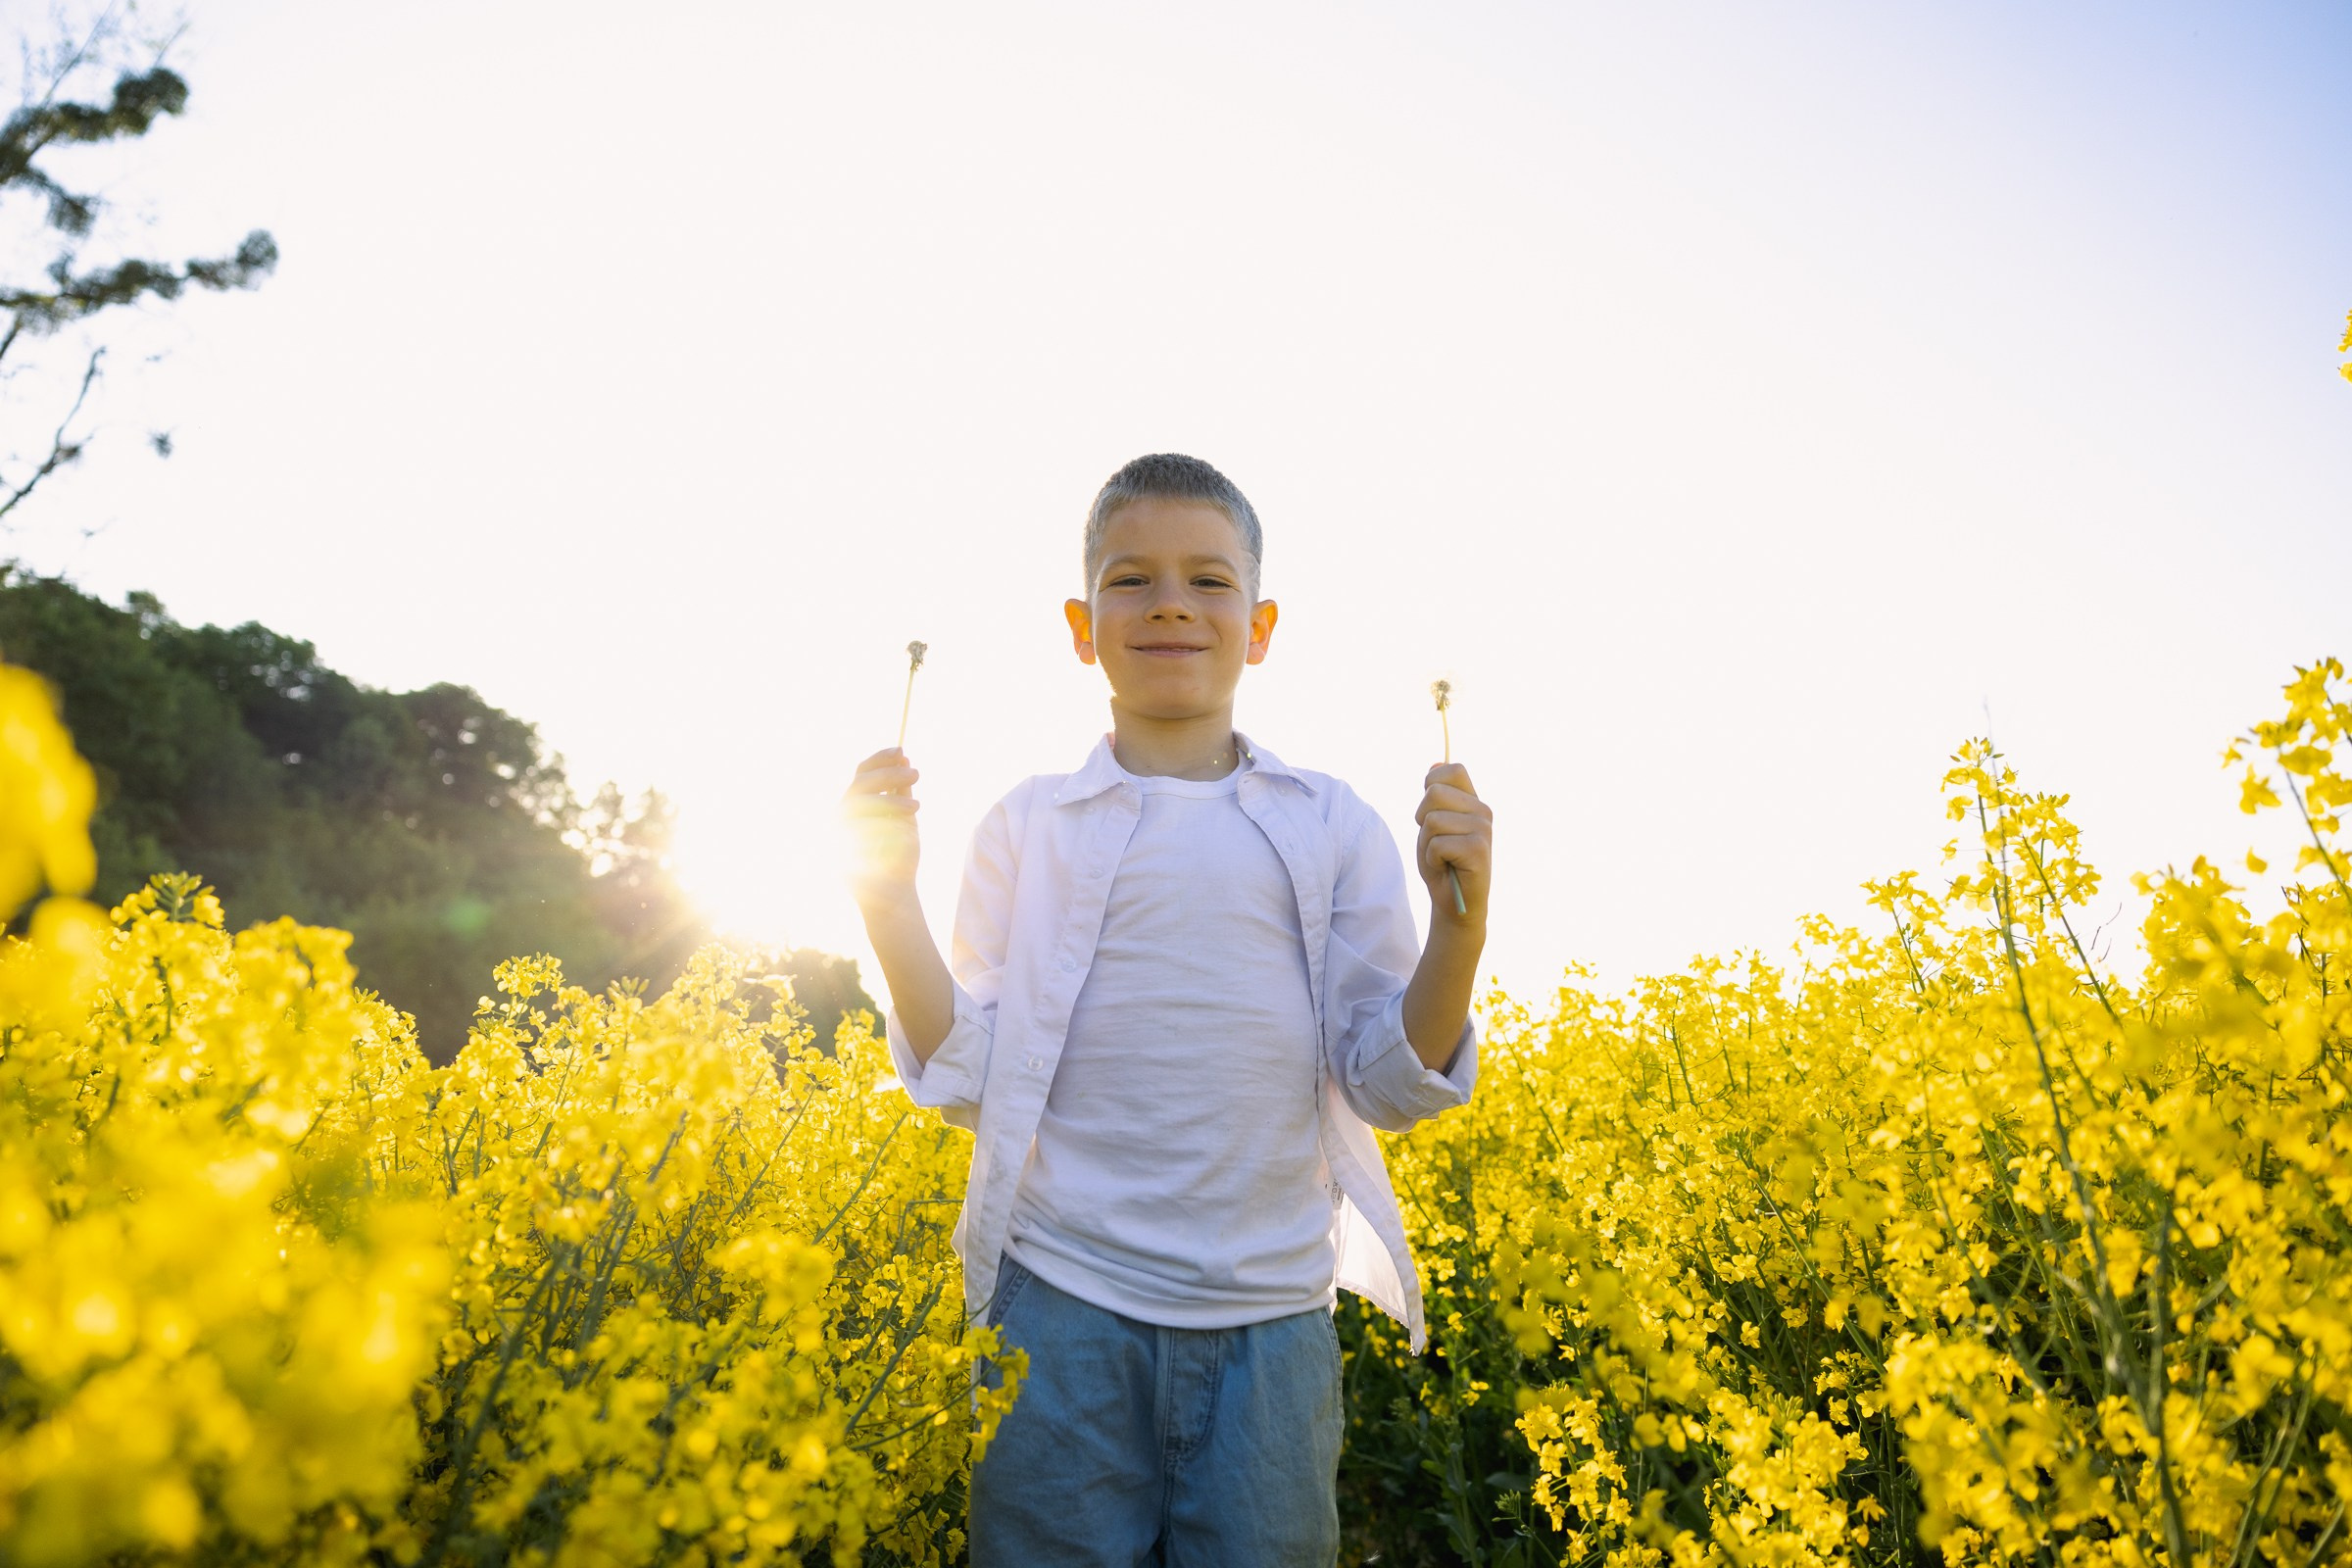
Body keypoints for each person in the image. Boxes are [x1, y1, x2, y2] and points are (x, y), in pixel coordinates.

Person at [843, 453, 1493, 1566]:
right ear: (1081, 624)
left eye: (1209, 579)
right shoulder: (1025, 825)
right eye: (1131, 579)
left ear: (1264, 622)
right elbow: (970, 1081)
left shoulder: (1333, 823)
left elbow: (1388, 1080)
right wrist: (887, 901)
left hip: (1274, 1327)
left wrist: (1459, 933)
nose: (1173, 603)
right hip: (1059, 1309)